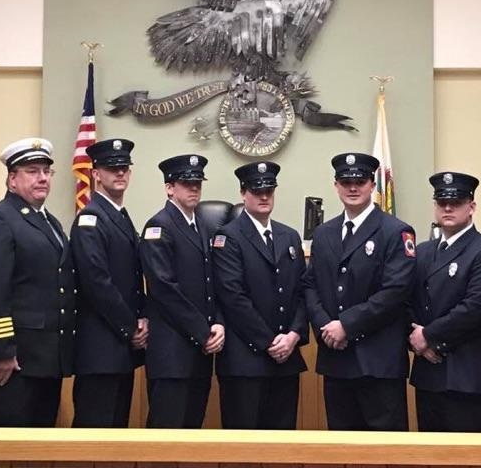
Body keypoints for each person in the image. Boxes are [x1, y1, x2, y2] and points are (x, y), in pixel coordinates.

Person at [0, 137, 74, 427]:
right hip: (9, 363)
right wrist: (1, 352)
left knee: (36, 450)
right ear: (12, 179)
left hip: (42, 361)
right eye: (32, 171)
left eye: (47, 172)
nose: (42, 178)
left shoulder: (50, 223)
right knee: (3, 450)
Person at [304, 152, 416, 431]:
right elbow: (310, 284)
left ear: (372, 185)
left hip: (378, 362)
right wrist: (325, 328)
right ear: (336, 185)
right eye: (345, 181)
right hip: (337, 358)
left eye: (360, 181)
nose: (353, 188)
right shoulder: (324, 233)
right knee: (342, 450)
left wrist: (346, 325)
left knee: (386, 453)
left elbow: (395, 291)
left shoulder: (396, 231)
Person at [409, 172, 481, 432]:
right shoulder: (423, 252)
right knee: (430, 459)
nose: (448, 207)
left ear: (472, 207)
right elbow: (405, 302)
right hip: (430, 374)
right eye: (441, 202)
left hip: (470, 378)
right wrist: (417, 342)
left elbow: (477, 308)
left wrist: (429, 336)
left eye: (456, 202)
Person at [211, 161, 307, 429]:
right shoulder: (228, 237)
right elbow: (233, 297)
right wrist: (269, 342)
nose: (264, 196)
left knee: (282, 443)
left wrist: (293, 335)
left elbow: (302, 291)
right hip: (246, 360)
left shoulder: (289, 236)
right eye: (256, 191)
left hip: (286, 358)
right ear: (243, 193)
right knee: (243, 446)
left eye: (269, 190)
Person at [139, 154, 224, 428]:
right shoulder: (158, 226)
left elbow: (212, 286)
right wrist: (203, 330)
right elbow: (165, 289)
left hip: (198, 352)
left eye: (198, 183)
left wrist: (217, 323)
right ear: (169, 188)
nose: (194, 188)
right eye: (187, 183)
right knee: (166, 435)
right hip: (172, 353)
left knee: (192, 438)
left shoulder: (203, 226)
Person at [70, 138, 147, 427]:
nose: (120, 173)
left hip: (120, 347)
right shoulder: (90, 218)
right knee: (94, 433)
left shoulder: (120, 217)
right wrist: (131, 327)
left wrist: (142, 319)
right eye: (111, 168)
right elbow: (96, 283)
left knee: (116, 436)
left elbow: (132, 279)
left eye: (124, 168)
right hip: (100, 348)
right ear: (95, 174)